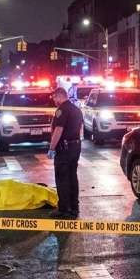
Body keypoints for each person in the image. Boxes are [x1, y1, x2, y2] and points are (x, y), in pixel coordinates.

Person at [49, 87, 83, 218]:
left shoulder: (62, 110)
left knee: (62, 178)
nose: (54, 101)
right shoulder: (76, 109)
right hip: (75, 146)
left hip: (64, 148)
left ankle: (64, 209)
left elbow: (58, 130)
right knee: (72, 177)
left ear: (59, 96)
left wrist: (52, 148)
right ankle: (74, 207)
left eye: (54, 98)